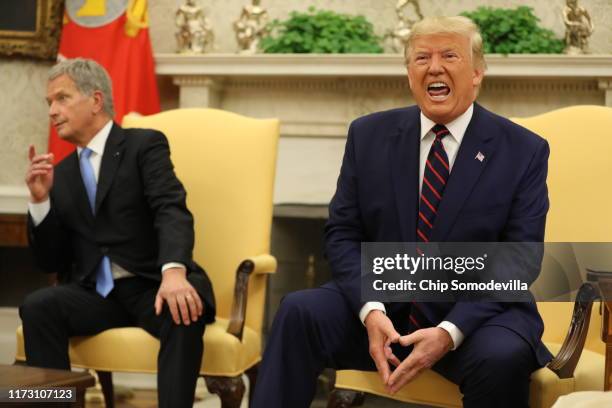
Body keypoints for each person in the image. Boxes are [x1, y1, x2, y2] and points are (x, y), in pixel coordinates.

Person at [252, 16, 552, 408]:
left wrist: (448, 331)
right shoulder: (368, 135)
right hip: (383, 310)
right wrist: (370, 310)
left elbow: (519, 259)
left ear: (478, 72)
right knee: (298, 311)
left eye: (449, 55)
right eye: (421, 58)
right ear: (409, 73)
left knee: (502, 356)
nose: (434, 67)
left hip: (475, 317)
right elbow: (342, 233)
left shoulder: (523, 149)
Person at [21, 58, 215, 408]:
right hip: (97, 295)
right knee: (38, 306)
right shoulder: (60, 175)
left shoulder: (143, 146)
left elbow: (170, 208)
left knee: (184, 306)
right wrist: (40, 202)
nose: (52, 110)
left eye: (62, 98)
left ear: (95, 100)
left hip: (151, 284)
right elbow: (50, 260)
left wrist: (174, 272)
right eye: (49, 102)